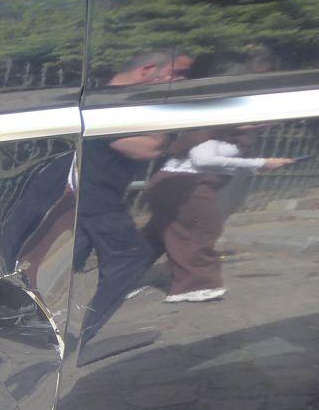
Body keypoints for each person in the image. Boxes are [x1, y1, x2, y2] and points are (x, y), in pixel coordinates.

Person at [75, 50, 193, 343]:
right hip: (91, 196)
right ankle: (82, 333)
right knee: (131, 258)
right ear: (147, 70)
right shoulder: (109, 103)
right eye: (176, 73)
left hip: (88, 196)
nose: (181, 81)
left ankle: (42, 327)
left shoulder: (111, 100)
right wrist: (171, 124)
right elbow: (146, 148)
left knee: (67, 262)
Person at [144, 127, 295, 302]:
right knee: (198, 232)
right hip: (187, 185)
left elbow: (219, 164)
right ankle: (194, 286)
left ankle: (128, 274)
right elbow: (203, 160)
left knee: (162, 233)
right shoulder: (211, 131)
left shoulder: (230, 134)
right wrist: (260, 164)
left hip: (178, 183)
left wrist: (260, 166)